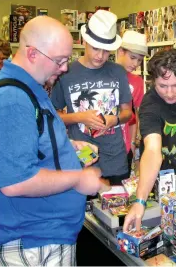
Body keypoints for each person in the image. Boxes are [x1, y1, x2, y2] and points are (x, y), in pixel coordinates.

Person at [0, 16, 108, 266]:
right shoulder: (12, 98)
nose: (65, 68)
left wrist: (68, 147)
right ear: (32, 53)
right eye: (60, 60)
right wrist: (79, 178)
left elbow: (32, 145)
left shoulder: (31, 88)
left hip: (44, 238)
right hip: (32, 243)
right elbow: (16, 182)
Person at [51, 10, 133, 186]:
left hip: (115, 160)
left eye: (106, 51)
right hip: (82, 160)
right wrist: (80, 117)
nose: (100, 56)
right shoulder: (67, 73)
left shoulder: (117, 72)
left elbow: (128, 112)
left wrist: (115, 119)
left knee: (117, 210)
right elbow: (54, 116)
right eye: (96, 48)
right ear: (85, 42)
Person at [123, 49, 176, 231]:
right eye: (162, 86)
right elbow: (151, 150)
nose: (170, 93)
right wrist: (140, 200)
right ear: (152, 81)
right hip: (155, 181)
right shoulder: (150, 106)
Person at [116, 30, 148, 175]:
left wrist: (133, 144)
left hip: (125, 146)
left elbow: (135, 117)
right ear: (120, 51)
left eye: (140, 60)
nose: (136, 64)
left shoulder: (137, 82)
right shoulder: (105, 75)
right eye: (132, 57)